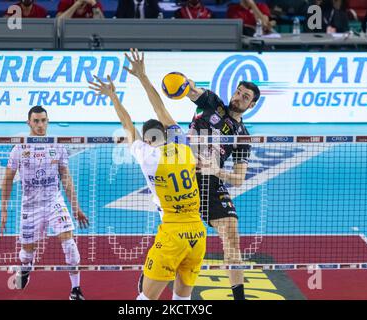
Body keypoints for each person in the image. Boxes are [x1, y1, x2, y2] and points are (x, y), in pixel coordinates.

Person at [88, 49, 206, 300]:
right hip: (198, 233)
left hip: (172, 234)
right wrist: (142, 77)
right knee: (183, 300)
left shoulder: (147, 156)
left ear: (148, 139)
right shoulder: (185, 146)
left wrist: (113, 97)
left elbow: (127, 126)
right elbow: (161, 108)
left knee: (145, 299)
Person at [0, 106, 89, 300]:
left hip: (53, 201)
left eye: (43, 120)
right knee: (26, 253)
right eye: (36, 121)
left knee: (70, 245)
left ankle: (76, 289)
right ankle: (25, 269)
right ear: (29, 123)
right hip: (30, 207)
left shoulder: (57, 146)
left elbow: (65, 177)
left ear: (47, 121)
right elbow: (7, 179)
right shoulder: (19, 148)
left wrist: (75, 207)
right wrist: (4, 209)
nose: (40, 125)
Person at [184, 78, 260, 300]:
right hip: (184, 176)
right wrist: (184, 83)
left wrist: (215, 170)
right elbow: (190, 90)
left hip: (211, 181)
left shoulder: (243, 135)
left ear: (252, 104)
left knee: (231, 233)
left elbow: (238, 179)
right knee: (180, 242)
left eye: (245, 97)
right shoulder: (211, 103)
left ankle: (239, 299)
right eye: (238, 92)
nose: (238, 97)